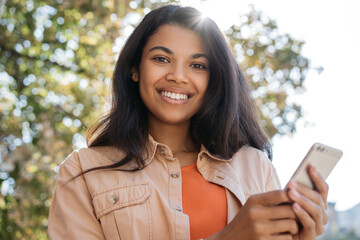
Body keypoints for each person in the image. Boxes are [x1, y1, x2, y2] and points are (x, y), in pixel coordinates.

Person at [48, 5, 328, 240]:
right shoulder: (83, 172)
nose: (178, 76)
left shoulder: (254, 167)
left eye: (197, 65)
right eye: (161, 58)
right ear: (135, 69)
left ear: (213, 78)